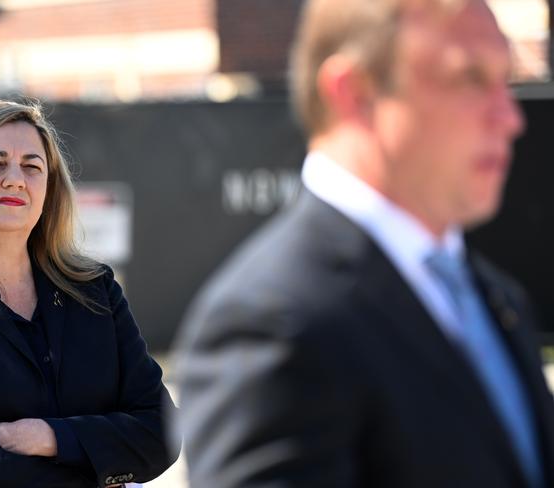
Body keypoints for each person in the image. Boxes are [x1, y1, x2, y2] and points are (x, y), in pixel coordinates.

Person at [174, 0, 554, 487]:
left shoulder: (498, 299)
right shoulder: (272, 324)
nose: (510, 117)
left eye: (508, 81)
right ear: (353, 93)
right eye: (469, 78)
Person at [0, 99, 179, 488]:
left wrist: (49, 438)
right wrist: (96, 463)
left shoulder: (95, 290)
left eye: (32, 167)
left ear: (50, 191)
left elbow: (161, 429)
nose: (15, 179)